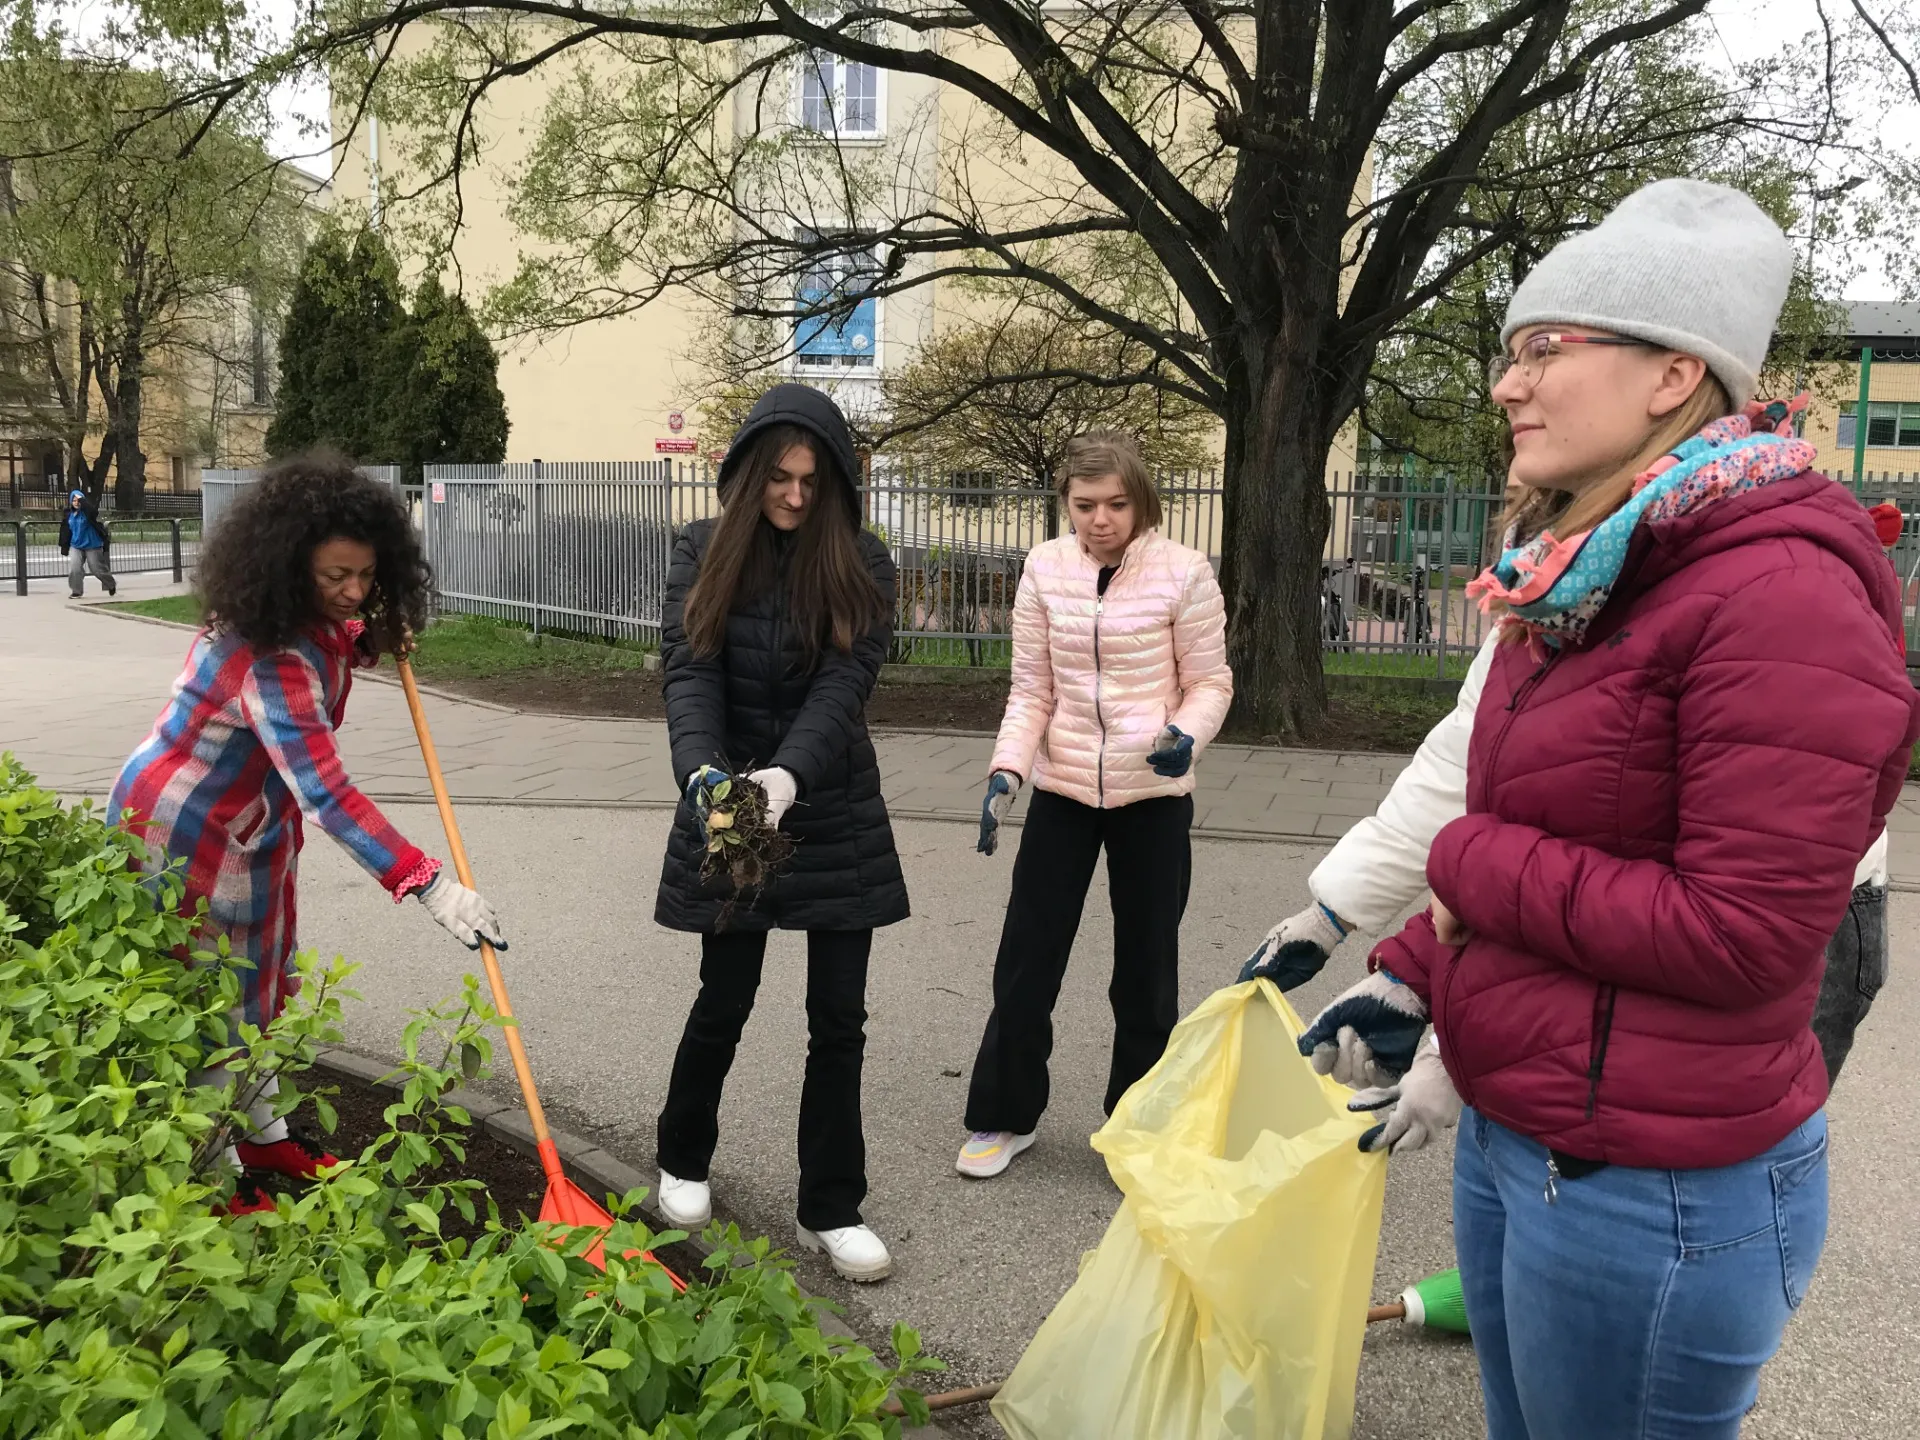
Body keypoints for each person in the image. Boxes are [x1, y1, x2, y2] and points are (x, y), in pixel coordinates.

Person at [1295, 179, 1918, 1439]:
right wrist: (1416, 970)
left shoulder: (1780, 594)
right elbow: (1572, 828)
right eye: (1510, 353)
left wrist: (1463, 862)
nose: (1506, 386)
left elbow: (1744, 930)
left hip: (1654, 1193)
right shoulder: (1599, 568)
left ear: (1673, 375)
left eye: (1543, 350)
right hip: (1527, 1139)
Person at [110, 453, 506, 1214]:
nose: (354, 590)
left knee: (260, 983)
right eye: (336, 577)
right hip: (184, 831)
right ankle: (211, 1175)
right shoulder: (270, 658)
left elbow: (335, 639)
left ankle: (265, 1135)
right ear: (289, 568)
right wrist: (426, 882)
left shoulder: (301, 622)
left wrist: (362, 632)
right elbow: (326, 791)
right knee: (214, 1004)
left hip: (250, 824)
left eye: (367, 574)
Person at [651, 383, 908, 1283]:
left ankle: (830, 1207)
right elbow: (689, 671)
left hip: (830, 805)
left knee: (839, 1019)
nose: (796, 496)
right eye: (780, 478)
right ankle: (683, 1158)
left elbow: (846, 686)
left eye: (812, 481)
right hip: (731, 798)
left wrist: (791, 776)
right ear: (749, 474)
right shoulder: (701, 551)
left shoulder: (864, 563)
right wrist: (703, 773)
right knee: (725, 995)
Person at [957, 429, 1232, 1180]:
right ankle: (1004, 1114)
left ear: (1141, 501)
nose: (1101, 519)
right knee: (1027, 959)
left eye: (1116, 504)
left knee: (1146, 971)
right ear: (1066, 504)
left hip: (1152, 794)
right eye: (1085, 505)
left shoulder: (1184, 572)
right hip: (1064, 789)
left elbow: (1210, 682)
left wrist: (1186, 736)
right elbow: (1032, 689)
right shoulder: (1044, 569)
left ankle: (1137, 1129)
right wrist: (1007, 773)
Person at [60, 488, 116, 597]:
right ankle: (76, 591)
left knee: (97, 569)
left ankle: (111, 584)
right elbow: (65, 531)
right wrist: (64, 546)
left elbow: (93, 512)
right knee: (75, 568)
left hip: (92, 545)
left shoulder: (87, 512)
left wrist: (82, 500)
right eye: (74, 500)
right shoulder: (69, 514)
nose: (76, 503)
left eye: (78, 500)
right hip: (76, 545)